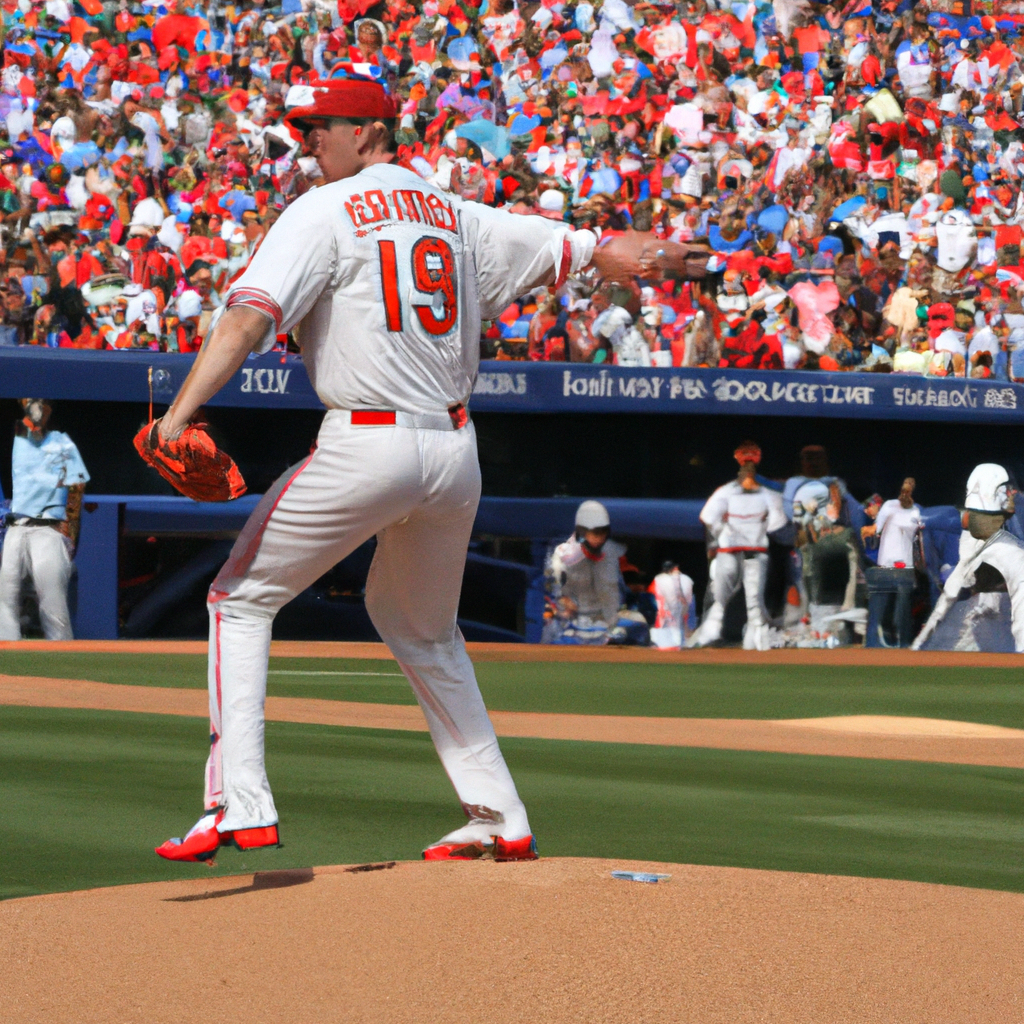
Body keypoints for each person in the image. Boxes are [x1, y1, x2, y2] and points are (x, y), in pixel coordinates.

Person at [150, 73, 650, 865]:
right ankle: (499, 813)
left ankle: (235, 802)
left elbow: (248, 317)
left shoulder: (320, 211)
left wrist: (177, 416)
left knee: (238, 599)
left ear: (373, 132)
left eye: (321, 126)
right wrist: (664, 257)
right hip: (454, 455)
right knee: (419, 625)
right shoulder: (457, 214)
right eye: (301, 129)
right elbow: (580, 249)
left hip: (368, 440)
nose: (306, 141)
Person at [0, 399, 88, 641]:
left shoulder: (61, 442)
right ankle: (8, 663)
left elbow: (77, 485)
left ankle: (63, 665)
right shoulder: (21, 439)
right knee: (5, 599)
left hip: (48, 530)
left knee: (52, 602)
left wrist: (69, 530)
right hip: (17, 526)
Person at [913, 465, 1024, 653]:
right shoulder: (992, 511)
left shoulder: (1010, 506)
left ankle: (919, 645)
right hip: (985, 591)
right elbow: (961, 520)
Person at [690, 441, 787, 651]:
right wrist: (721, 534)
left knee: (751, 600)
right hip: (731, 550)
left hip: (753, 550)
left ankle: (754, 642)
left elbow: (778, 522)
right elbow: (707, 517)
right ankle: (710, 635)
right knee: (720, 596)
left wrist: (758, 531)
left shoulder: (767, 495)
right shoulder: (727, 492)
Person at [546, 500, 628, 645]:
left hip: (602, 626)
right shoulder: (564, 554)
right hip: (570, 627)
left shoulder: (609, 556)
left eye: (603, 533)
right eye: (595, 533)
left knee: (635, 627)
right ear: (582, 531)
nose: (599, 538)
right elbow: (550, 591)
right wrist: (561, 601)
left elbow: (618, 594)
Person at [861, 478, 922, 648]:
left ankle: (887, 633)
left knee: (887, 602)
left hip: (887, 563)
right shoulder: (916, 511)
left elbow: (877, 530)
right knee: (904, 607)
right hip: (905, 565)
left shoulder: (888, 506)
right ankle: (905, 642)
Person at [648, 560, 694, 650]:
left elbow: (654, 596)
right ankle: (685, 640)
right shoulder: (688, 579)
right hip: (685, 613)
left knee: (663, 613)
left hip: (669, 613)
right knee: (683, 615)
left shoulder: (660, 578)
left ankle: (662, 642)